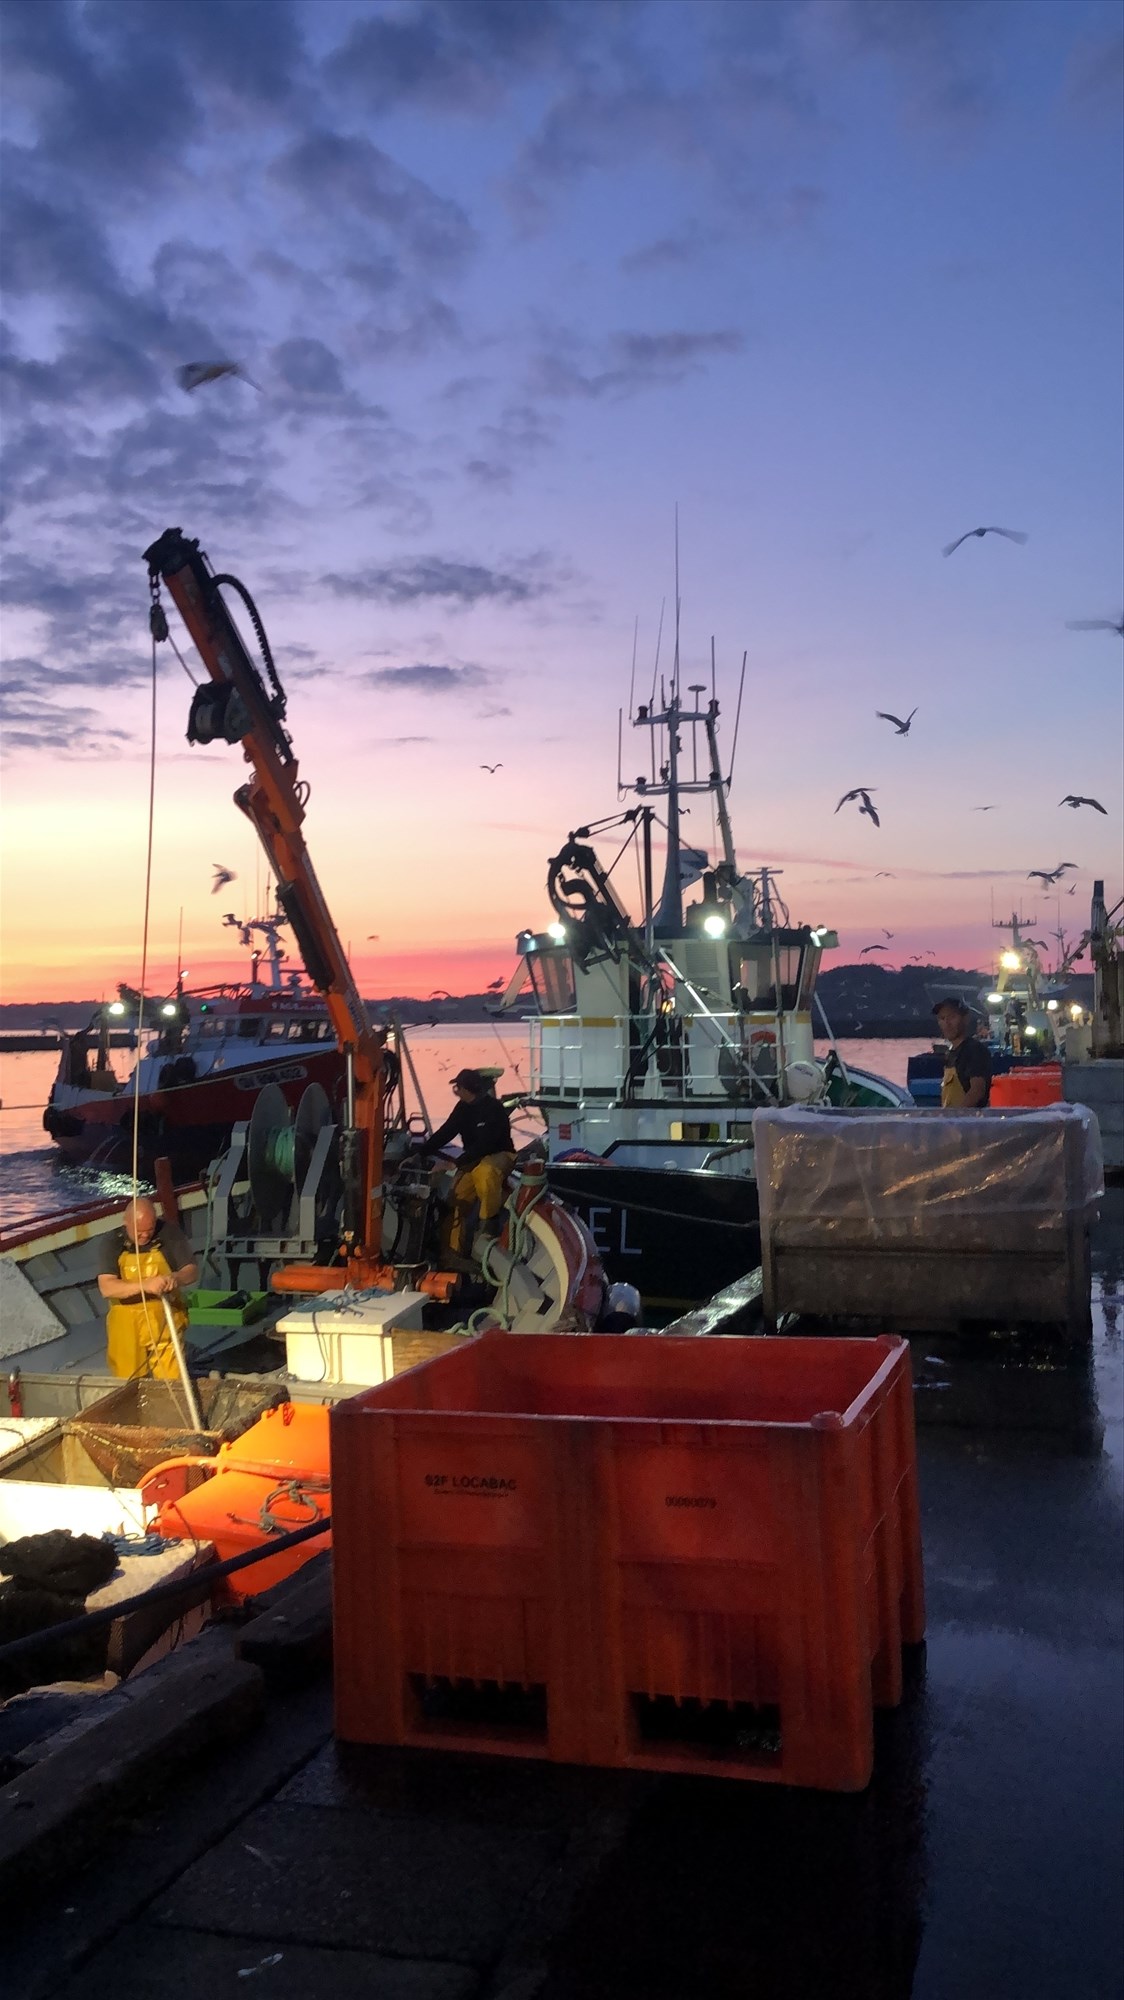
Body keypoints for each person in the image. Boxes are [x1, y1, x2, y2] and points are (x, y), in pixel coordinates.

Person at [414, 1070, 515, 1255]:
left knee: (486, 1173)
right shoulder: (462, 1109)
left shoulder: (493, 1109)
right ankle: (452, 1252)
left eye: (457, 1088)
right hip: (473, 1158)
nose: (456, 1091)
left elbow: (486, 1144)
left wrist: (455, 1164)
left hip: (500, 1154)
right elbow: (446, 1132)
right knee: (456, 1197)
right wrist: (422, 1152)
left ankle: (488, 1226)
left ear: (467, 1089)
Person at [96, 1196, 198, 1378]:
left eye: (149, 1230)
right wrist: (146, 1285)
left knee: (174, 1380)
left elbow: (191, 1271)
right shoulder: (112, 1243)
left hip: (165, 1319)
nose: (145, 1235)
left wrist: (176, 1277)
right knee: (129, 1382)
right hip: (127, 1326)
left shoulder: (169, 1234)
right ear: (125, 1223)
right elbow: (107, 1287)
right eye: (139, 1231)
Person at [932, 998, 992, 1108]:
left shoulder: (974, 1050)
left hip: (970, 1122)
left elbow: (977, 1090)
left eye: (952, 1017)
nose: (947, 1023)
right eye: (942, 1018)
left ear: (966, 1019)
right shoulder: (950, 1054)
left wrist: (957, 1117)